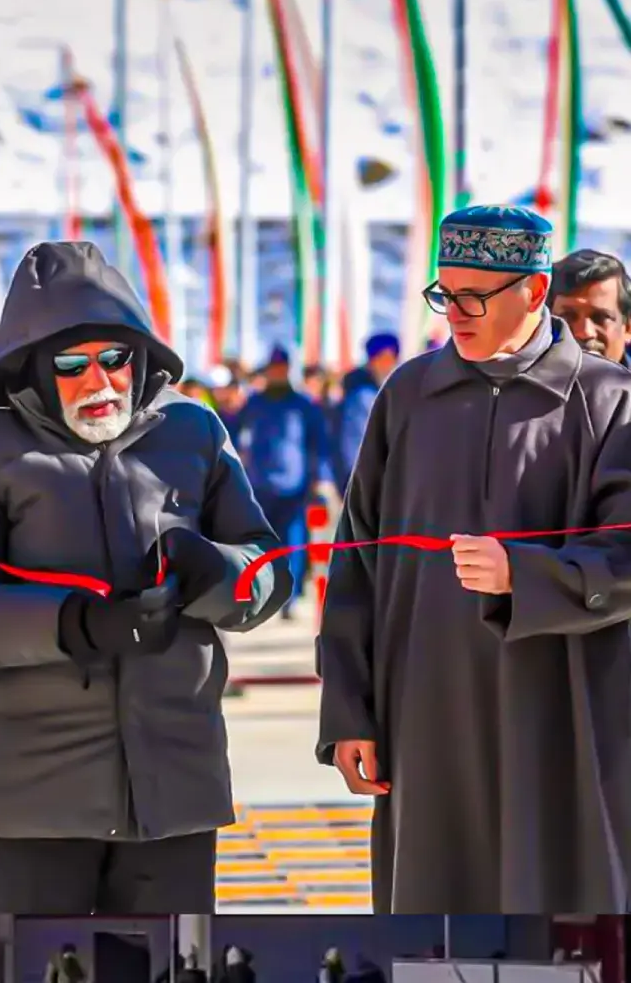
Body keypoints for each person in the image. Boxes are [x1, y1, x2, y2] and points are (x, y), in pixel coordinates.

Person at [0, 241, 292, 914]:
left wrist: (219, 575)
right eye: (72, 365)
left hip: (174, 786)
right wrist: (74, 624)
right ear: (31, 367)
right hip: (31, 795)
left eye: (116, 359)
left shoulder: (193, 431)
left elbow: (267, 572)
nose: (101, 381)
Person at [317, 205, 631, 912]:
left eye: (473, 296)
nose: (453, 313)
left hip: (564, 719)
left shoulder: (611, 402)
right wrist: (347, 712)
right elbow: (357, 561)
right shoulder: (408, 396)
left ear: (533, 291)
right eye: (444, 293)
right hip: (424, 719)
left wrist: (526, 575)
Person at [232, 344, 331, 618]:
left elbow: (319, 444)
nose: (277, 372)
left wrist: (320, 479)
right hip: (259, 486)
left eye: (281, 367)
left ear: (288, 369)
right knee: (261, 545)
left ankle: (288, 599)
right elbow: (230, 431)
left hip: (294, 486)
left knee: (293, 544)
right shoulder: (254, 402)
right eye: (273, 368)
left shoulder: (303, 405)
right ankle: (262, 595)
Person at [333, 332, 401, 491]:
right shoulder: (363, 398)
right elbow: (354, 445)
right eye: (382, 359)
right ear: (372, 362)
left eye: (391, 359)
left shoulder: (391, 391)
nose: (388, 365)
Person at [550, 248, 631, 367]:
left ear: (628, 329)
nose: (585, 332)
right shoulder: (520, 383)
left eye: (600, 318)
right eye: (568, 317)